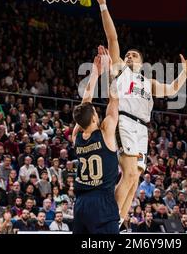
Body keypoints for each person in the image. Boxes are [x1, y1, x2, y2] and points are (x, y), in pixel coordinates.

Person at [93, 0, 187, 225]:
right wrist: (103, 4)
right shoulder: (120, 71)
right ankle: (107, 223)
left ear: (141, 63)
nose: (129, 56)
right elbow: (113, 36)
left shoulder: (148, 82)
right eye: (127, 54)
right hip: (124, 122)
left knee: (134, 181)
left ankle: (118, 224)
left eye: (134, 55)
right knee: (129, 173)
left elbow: (173, 89)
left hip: (142, 129)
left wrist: (186, 72)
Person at [71, 47, 120, 234]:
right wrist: (108, 70)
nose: (98, 113)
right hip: (102, 203)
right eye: (95, 113)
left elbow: (84, 105)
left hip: (81, 204)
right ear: (93, 118)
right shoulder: (106, 131)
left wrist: (94, 73)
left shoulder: (76, 135)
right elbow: (114, 100)